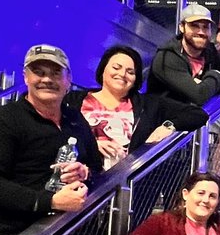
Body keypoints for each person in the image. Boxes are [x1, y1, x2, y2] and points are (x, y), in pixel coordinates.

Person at [0, 44, 99, 235]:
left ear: (68, 80)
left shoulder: (75, 119)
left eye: (55, 73)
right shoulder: (2, 120)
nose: (47, 79)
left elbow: (96, 166)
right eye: (39, 72)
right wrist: (49, 201)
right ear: (25, 77)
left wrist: (84, 172)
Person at [66, 45, 206, 168]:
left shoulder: (149, 104)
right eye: (116, 67)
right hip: (78, 177)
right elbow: (56, 133)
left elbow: (198, 114)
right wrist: (90, 145)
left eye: (130, 72)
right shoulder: (73, 99)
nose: (122, 74)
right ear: (103, 69)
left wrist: (168, 126)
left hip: (126, 182)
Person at [145, 3, 220, 107]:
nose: (201, 32)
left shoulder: (210, 51)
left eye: (206, 27)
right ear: (181, 27)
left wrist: (207, 86)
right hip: (163, 119)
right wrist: (215, 74)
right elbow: (199, 96)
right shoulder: (167, 57)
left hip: (194, 116)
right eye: (194, 26)